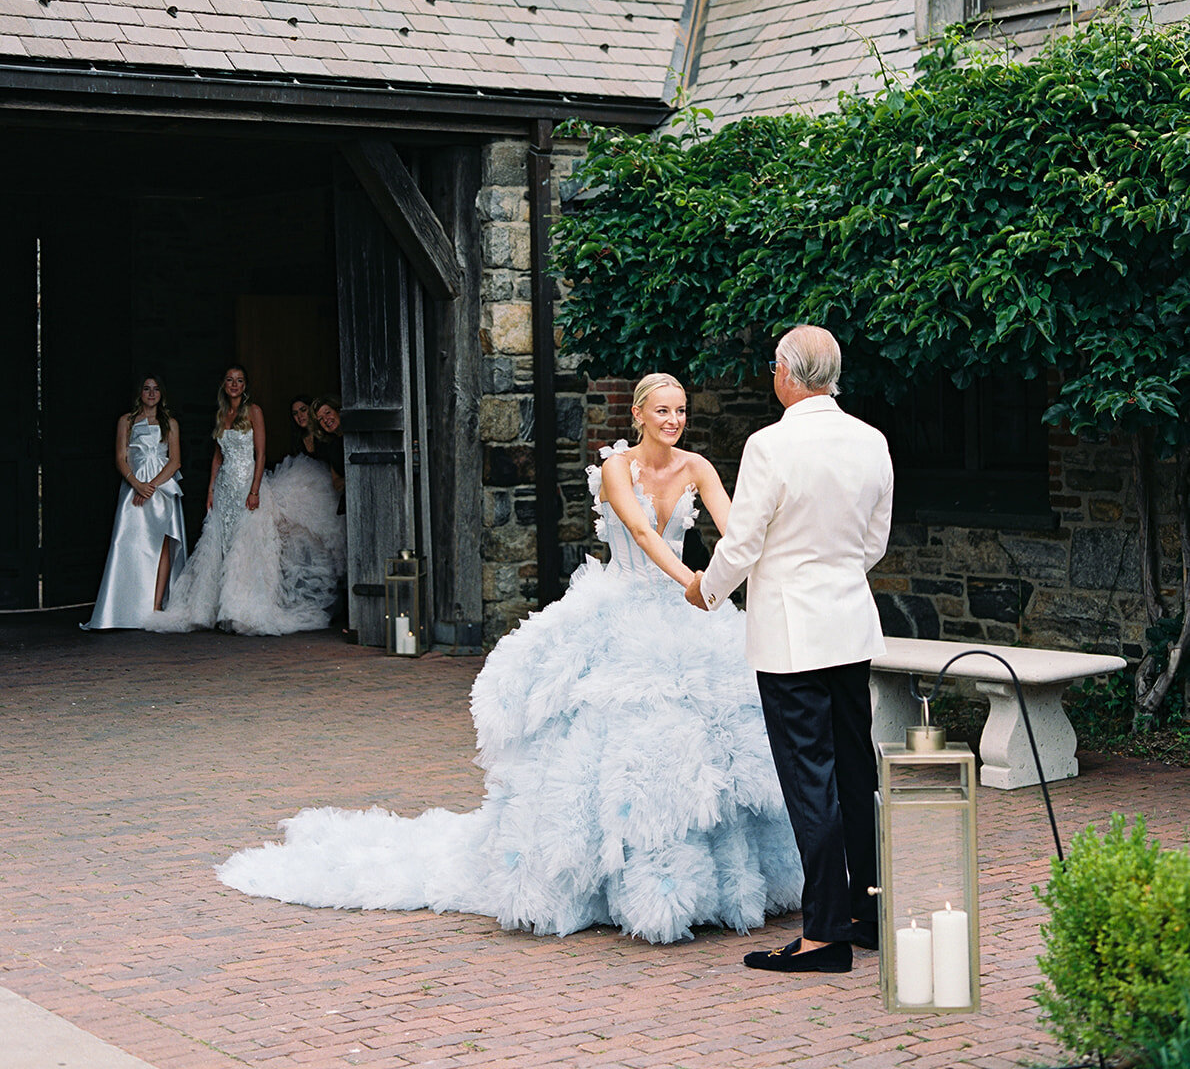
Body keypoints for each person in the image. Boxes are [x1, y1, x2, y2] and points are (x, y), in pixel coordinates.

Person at [216, 373, 804, 944]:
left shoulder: (697, 467)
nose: (674, 421)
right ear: (639, 415)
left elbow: (735, 533)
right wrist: (693, 585)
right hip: (627, 604)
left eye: (681, 412)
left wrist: (751, 571)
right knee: (607, 736)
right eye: (663, 411)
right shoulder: (617, 469)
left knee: (700, 741)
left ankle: (706, 881)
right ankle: (603, 881)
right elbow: (644, 536)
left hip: (686, 614)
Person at [686, 325, 893, 975]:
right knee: (857, 776)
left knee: (812, 781)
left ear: (786, 373)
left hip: (790, 635)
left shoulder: (770, 445)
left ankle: (826, 935)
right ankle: (868, 915)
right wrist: (832, 573)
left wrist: (706, 590)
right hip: (849, 626)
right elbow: (874, 542)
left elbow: (743, 544)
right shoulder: (872, 440)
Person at [149, 366, 345, 635]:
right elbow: (218, 456)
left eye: (239, 381)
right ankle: (214, 609)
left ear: (245, 386)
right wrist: (210, 490)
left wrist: (254, 491)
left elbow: (261, 454)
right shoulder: (221, 414)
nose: (234, 384)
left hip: (247, 486)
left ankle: (239, 609)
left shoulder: (254, 412)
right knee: (223, 543)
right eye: (230, 380)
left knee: (245, 546)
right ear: (224, 385)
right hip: (225, 487)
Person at [83, 375, 187, 630]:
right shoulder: (126, 421)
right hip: (133, 488)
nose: (151, 393)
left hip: (161, 488)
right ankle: (121, 606)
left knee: (163, 543)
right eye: (146, 389)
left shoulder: (170, 423)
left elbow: (175, 461)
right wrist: (136, 484)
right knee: (127, 542)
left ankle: (155, 606)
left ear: (162, 393)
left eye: (156, 389)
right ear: (140, 393)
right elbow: (120, 458)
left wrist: (150, 487)